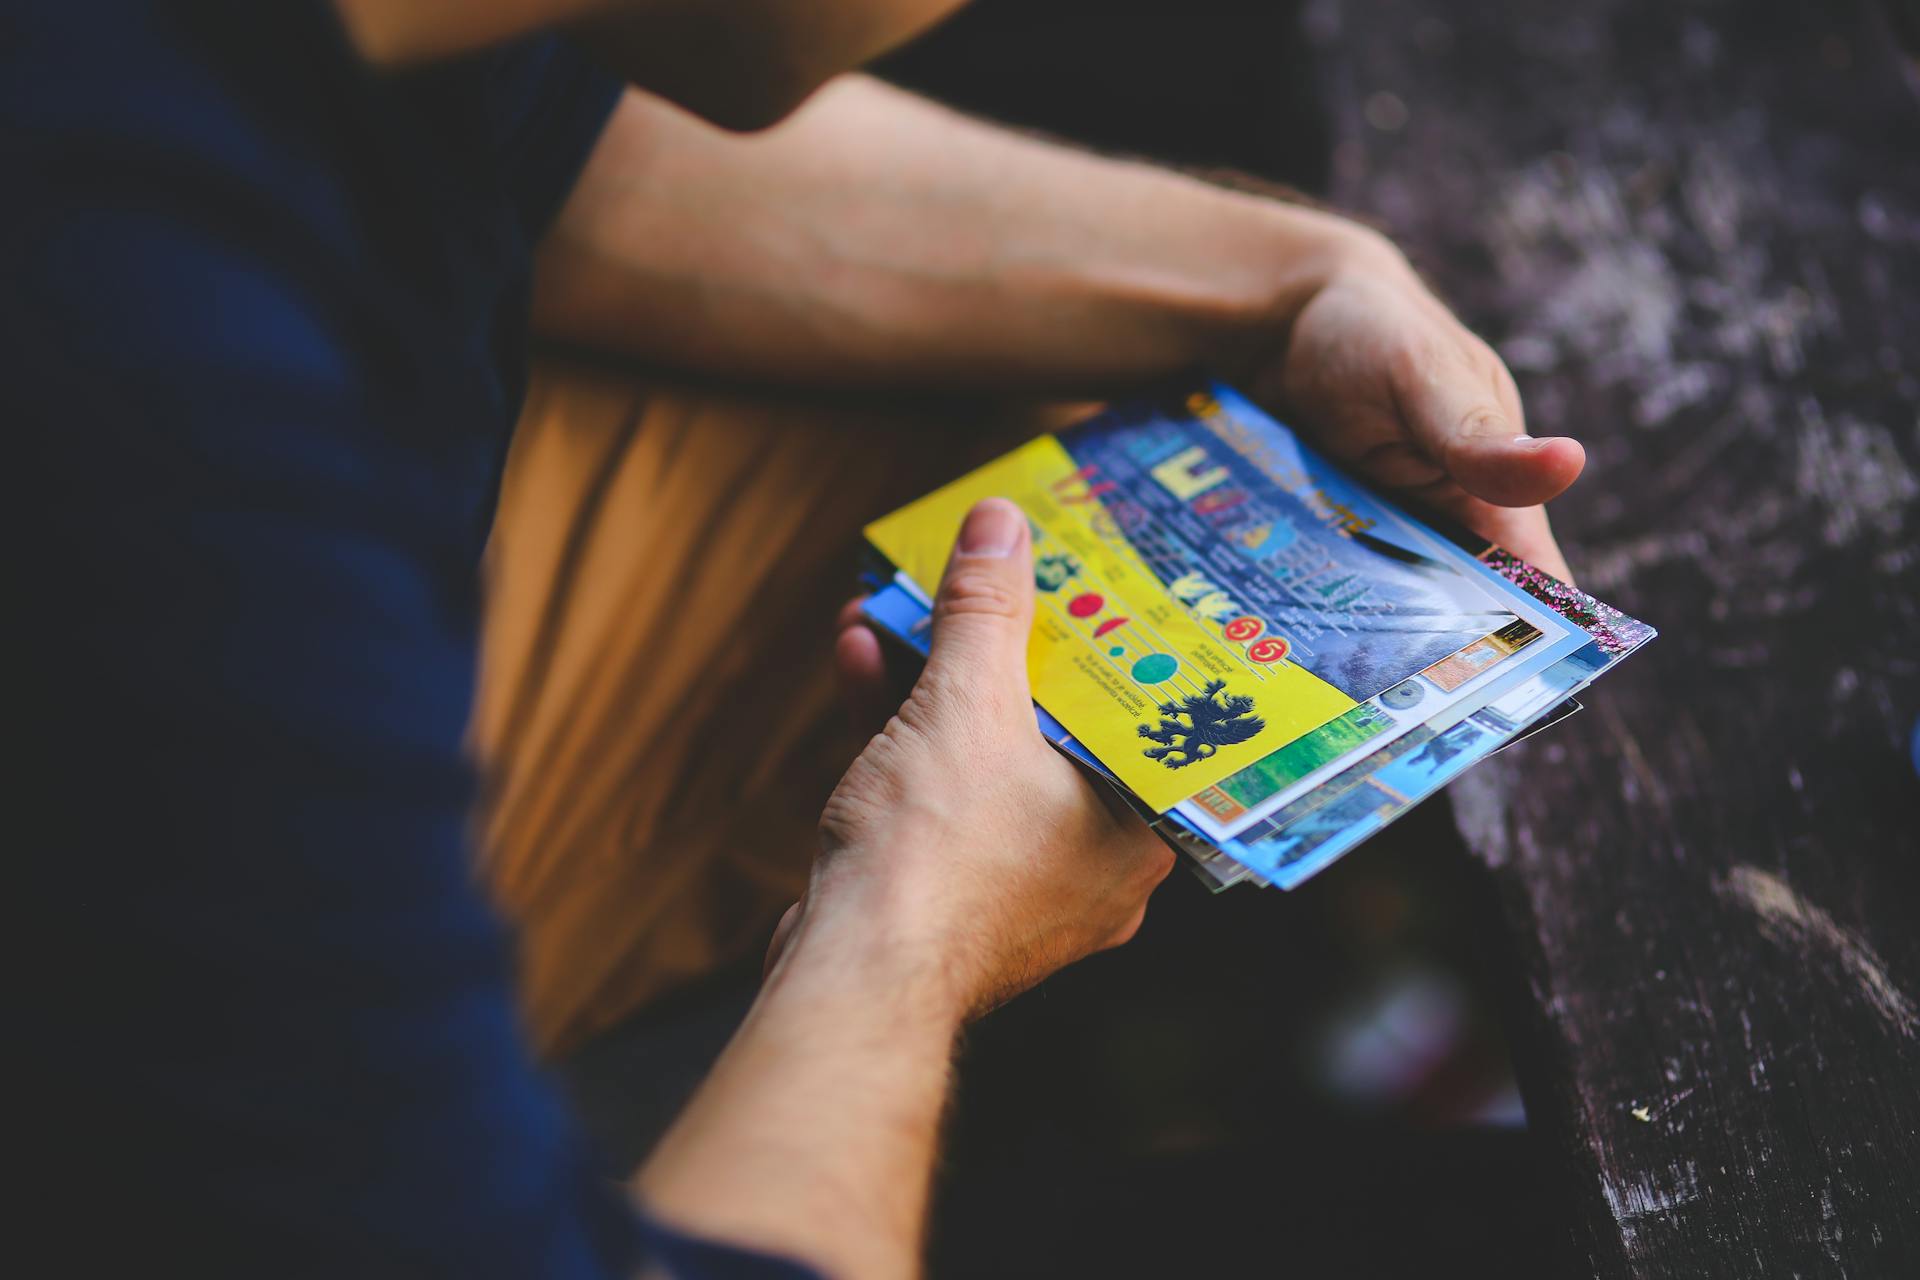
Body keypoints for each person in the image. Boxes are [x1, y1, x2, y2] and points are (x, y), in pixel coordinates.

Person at [13, 1, 1582, 1275]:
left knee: (1059, 431)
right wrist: (911, 926)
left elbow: (566, 149)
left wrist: (1293, 280)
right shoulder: (146, 391)